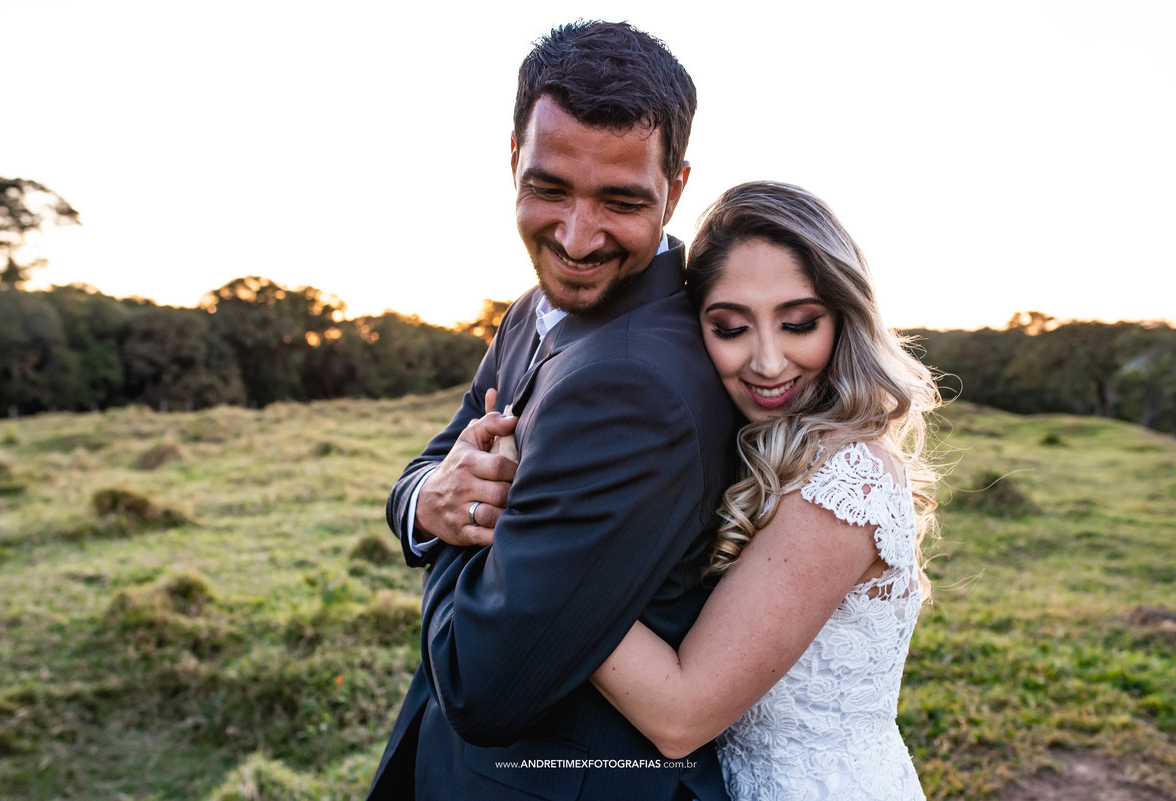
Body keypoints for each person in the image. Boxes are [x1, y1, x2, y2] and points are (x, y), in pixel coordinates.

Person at [366, 20, 739, 801]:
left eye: (621, 200)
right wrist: (427, 503)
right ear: (512, 160)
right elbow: (431, 462)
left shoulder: (634, 387)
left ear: (675, 187)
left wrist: (469, 526)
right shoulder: (532, 309)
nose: (575, 238)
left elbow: (479, 681)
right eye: (549, 188)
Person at [585, 181, 941, 799]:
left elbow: (679, 717)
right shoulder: (764, 448)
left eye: (799, 323)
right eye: (731, 328)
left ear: (844, 318)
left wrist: (534, 548)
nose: (769, 363)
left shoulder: (843, 482)